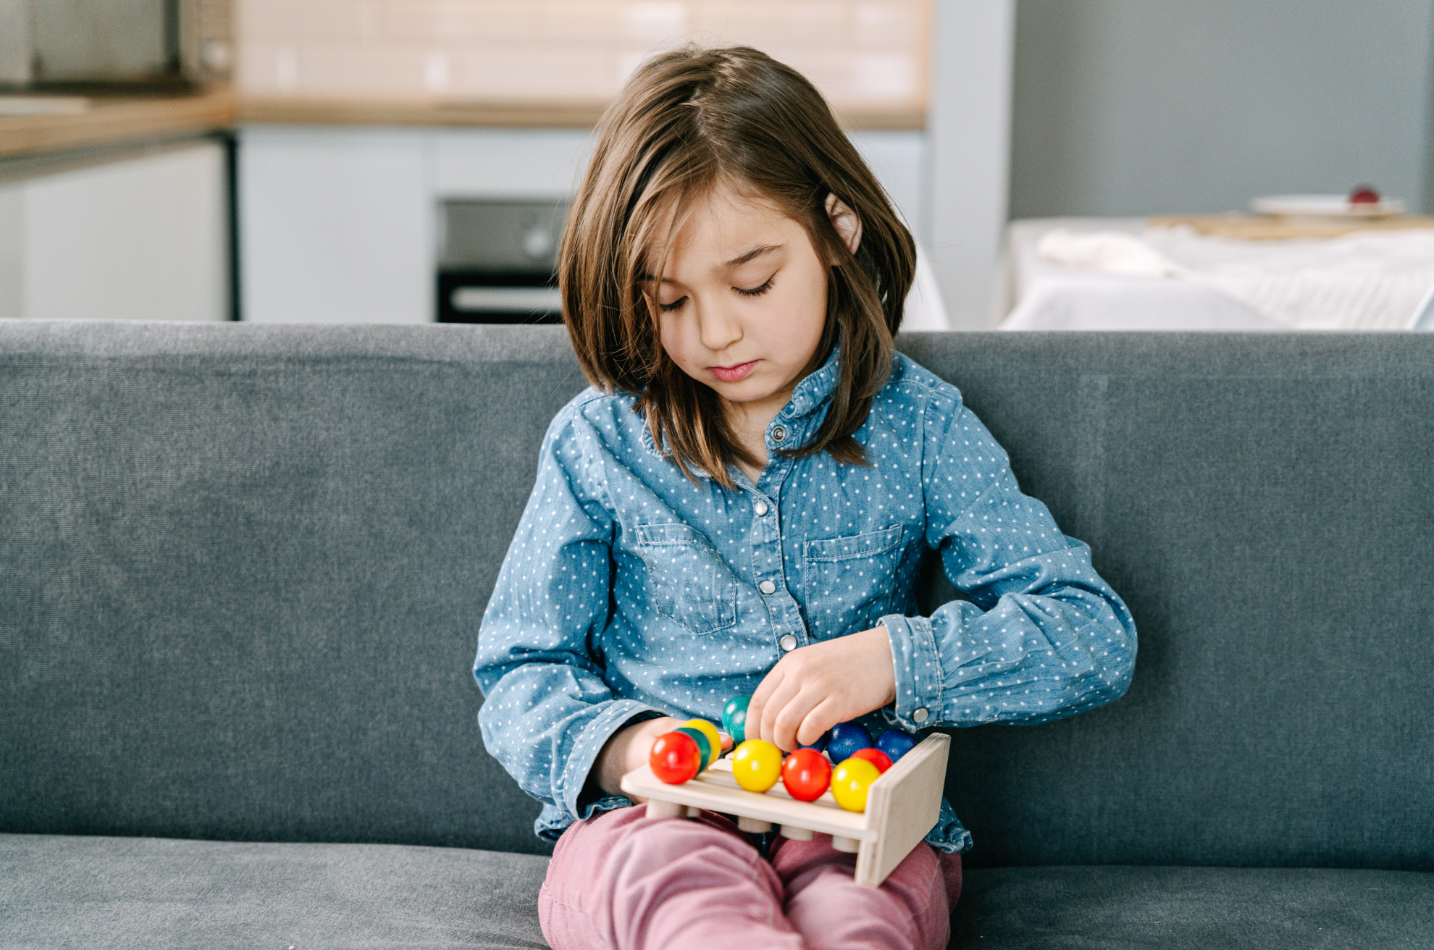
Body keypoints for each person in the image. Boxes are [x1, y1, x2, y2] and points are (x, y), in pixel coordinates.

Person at [474, 45, 1137, 950]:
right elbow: (520, 672)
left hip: (857, 822)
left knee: (857, 919)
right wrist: (634, 752)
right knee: (688, 901)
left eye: (753, 282)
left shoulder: (920, 427)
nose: (714, 332)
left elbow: (1090, 633)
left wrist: (890, 663)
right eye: (668, 301)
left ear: (837, 228)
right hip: (651, 827)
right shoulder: (600, 444)